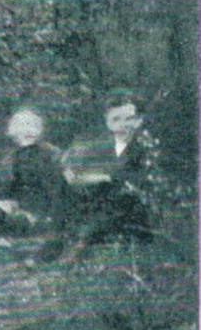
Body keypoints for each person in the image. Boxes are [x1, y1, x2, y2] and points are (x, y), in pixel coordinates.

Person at [57, 90, 157, 257]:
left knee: (118, 204)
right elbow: (75, 167)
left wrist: (102, 177)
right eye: (116, 119)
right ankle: (63, 242)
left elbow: (135, 177)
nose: (123, 124)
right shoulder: (102, 146)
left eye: (129, 118)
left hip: (131, 204)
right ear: (108, 122)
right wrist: (73, 171)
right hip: (101, 200)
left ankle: (79, 248)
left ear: (139, 120)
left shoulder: (144, 146)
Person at [0, 107, 66, 242]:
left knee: (19, 221)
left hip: (43, 206)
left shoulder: (52, 153)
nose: (23, 140)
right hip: (17, 201)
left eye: (28, 135)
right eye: (19, 135)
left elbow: (60, 187)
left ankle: (19, 236)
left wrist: (49, 214)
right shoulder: (12, 156)